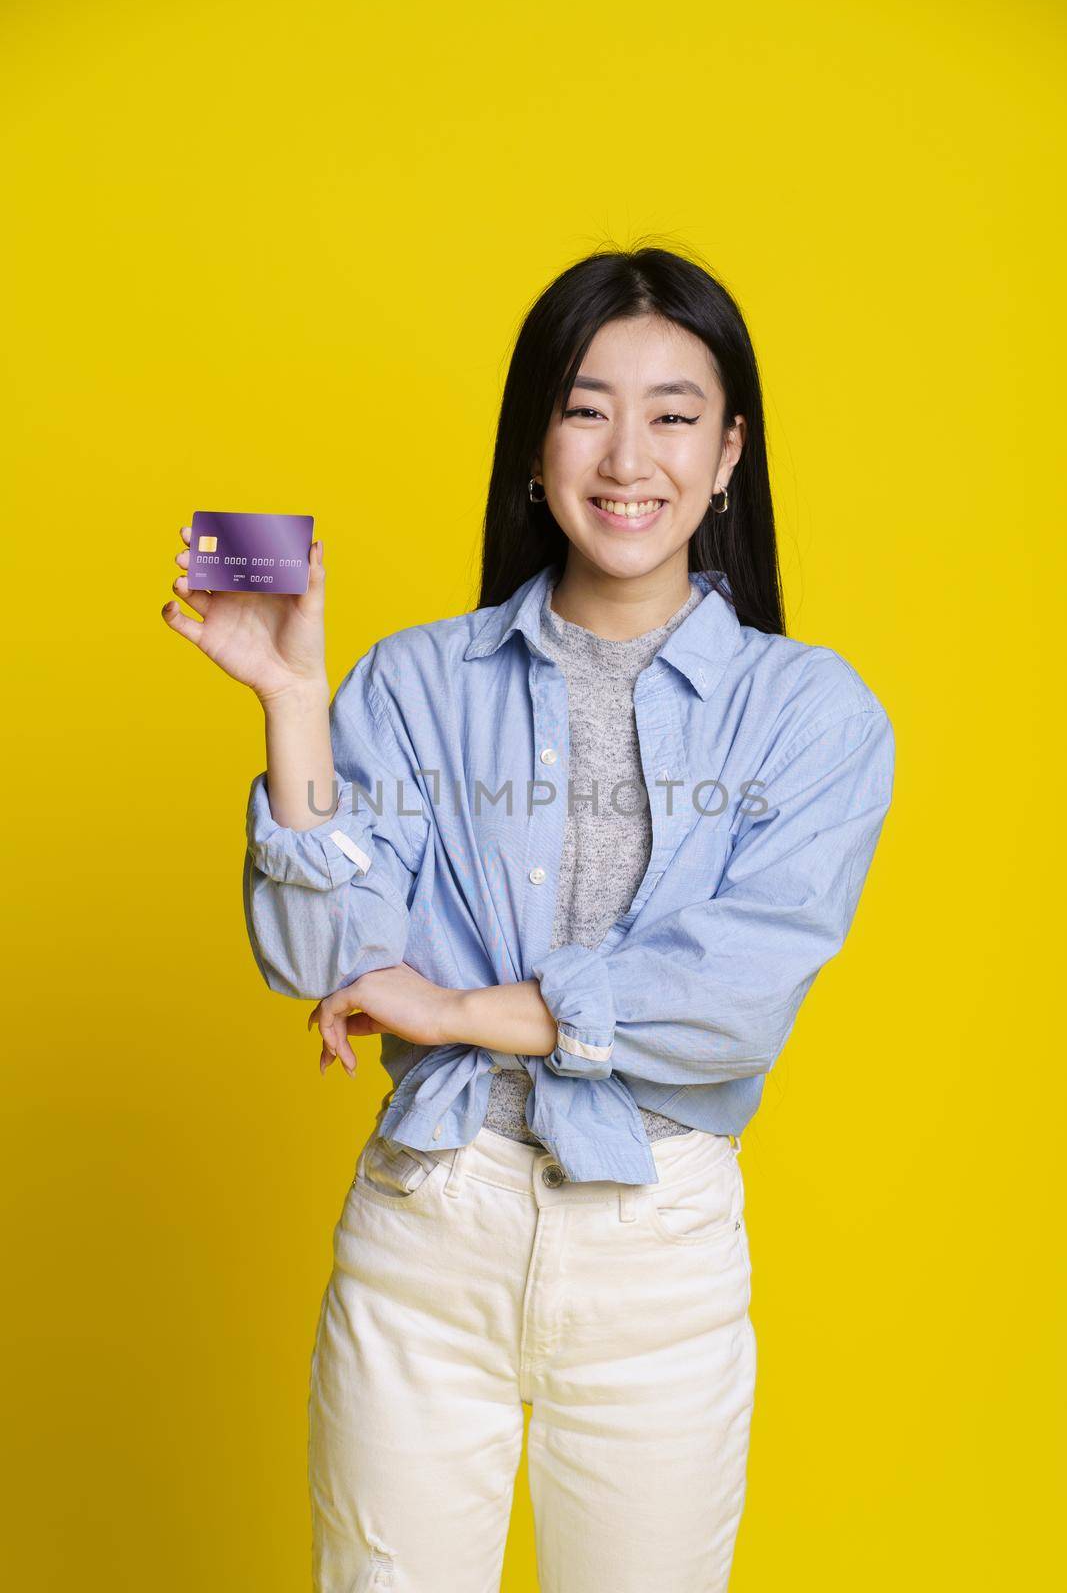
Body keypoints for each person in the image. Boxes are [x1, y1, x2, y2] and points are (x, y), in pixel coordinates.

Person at [162, 244, 895, 1593]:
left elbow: (727, 1001)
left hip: (657, 1253)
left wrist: (448, 1011)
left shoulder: (813, 717)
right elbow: (325, 957)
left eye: (674, 414)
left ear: (729, 453)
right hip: (427, 1230)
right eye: (585, 407)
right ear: (534, 442)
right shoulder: (415, 682)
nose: (630, 455)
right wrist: (292, 707)